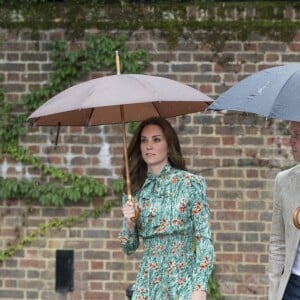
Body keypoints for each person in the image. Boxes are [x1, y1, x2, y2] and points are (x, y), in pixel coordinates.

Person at [118, 116, 214, 300]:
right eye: (144, 140)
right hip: (148, 283)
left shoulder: (190, 184)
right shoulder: (134, 190)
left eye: (156, 139)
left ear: (169, 145)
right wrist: (129, 223)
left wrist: (200, 286)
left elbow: (204, 239)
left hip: (183, 281)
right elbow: (128, 247)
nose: (149, 146)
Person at [268, 121, 300, 300]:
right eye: (291, 134)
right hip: (292, 286)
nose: (290, 142)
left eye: (297, 135)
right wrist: (274, 292)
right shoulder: (284, 181)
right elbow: (277, 242)